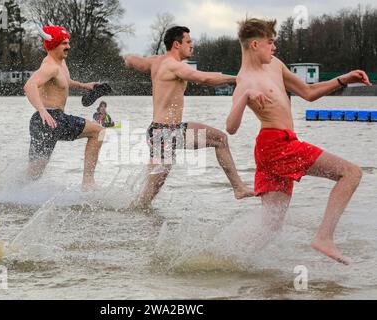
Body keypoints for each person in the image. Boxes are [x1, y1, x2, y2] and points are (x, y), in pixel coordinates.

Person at [227, 18, 371, 265]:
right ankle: (324, 237)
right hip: (276, 145)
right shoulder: (246, 80)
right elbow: (231, 127)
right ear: (254, 44)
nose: (274, 48)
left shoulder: (275, 65)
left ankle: (226, 260)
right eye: (270, 42)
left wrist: (343, 79)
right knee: (351, 173)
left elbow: (309, 92)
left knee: (270, 227)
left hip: (275, 147)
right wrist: (246, 96)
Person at [124, 26, 254, 209]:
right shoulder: (174, 66)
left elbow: (136, 61)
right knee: (147, 196)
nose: (192, 45)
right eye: (188, 41)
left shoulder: (156, 61)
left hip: (170, 131)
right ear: (177, 44)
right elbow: (204, 78)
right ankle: (131, 215)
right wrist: (236, 79)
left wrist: (127, 59)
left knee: (220, 139)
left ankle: (239, 188)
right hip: (164, 134)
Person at [24, 25, 105, 190]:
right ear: (53, 45)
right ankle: (88, 183)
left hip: (50, 120)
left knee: (35, 172)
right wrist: (42, 110)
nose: (68, 46)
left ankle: (8, 193)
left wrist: (84, 85)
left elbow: (64, 82)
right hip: (47, 118)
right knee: (98, 131)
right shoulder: (49, 66)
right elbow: (29, 85)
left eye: (68, 42)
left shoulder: (60, 63)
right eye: (64, 43)